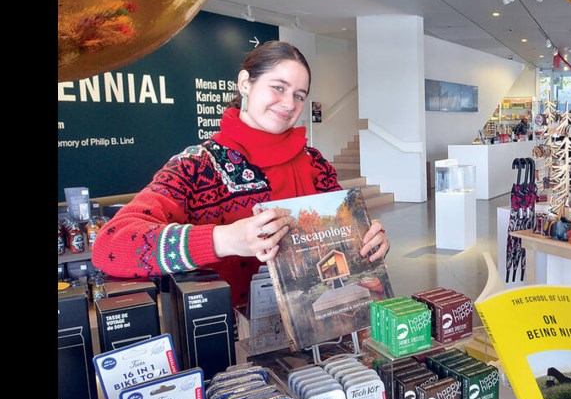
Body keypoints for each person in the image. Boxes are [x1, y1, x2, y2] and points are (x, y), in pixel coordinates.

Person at [91, 40, 390, 311]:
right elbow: (109, 246)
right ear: (246, 83)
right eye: (278, 87)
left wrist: (366, 240)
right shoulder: (197, 165)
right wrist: (224, 239)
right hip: (235, 344)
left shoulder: (315, 164)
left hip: (326, 328)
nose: (289, 103)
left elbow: (343, 240)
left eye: (299, 95)